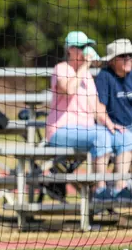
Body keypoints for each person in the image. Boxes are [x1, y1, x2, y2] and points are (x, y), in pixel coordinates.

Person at [46, 31, 132, 201]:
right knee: (99, 135)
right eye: (82, 47)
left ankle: (119, 187)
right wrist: (85, 65)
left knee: (125, 137)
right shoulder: (61, 69)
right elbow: (69, 89)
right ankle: (99, 190)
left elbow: (97, 107)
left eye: (88, 46)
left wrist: (109, 123)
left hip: (86, 130)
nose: (86, 50)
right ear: (70, 50)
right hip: (60, 130)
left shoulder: (87, 76)